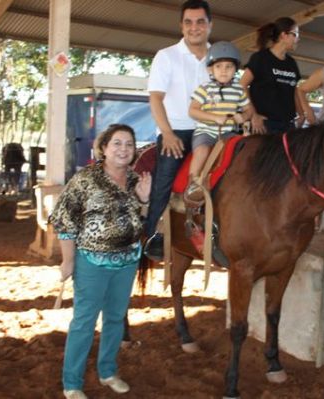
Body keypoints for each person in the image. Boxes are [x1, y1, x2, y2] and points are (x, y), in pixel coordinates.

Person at [50, 124, 152, 399]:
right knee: (84, 321)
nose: (123, 149)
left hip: (127, 260)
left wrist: (144, 200)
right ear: (104, 148)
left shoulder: (134, 180)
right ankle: (72, 383)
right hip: (91, 262)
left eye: (129, 144)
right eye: (117, 143)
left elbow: (137, 221)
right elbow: (64, 221)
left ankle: (107, 371)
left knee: (116, 319)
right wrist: (68, 260)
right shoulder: (86, 179)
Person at [144, 0, 212, 260]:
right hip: (178, 131)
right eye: (189, 22)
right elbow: (155, 98)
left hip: (210, 131)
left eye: (200, 22)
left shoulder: (218, 58)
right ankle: (154, 235)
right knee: (164, 181)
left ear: (209, 25)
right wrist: (168, 133)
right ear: (182, 26)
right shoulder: (166, 56)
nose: (194, 28)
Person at [184, 41, 251, 204]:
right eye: (219, 66)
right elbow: (192, 110)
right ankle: (192, 185)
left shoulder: (238, 89)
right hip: (206, 131)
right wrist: (214, 118)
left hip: (228, 132)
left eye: (229, 67)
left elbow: (249, 109)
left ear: (236, 69)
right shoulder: (204, 88)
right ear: (210, 69)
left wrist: (243, 116)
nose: (224, 71)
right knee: (202, 151)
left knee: (242, 153)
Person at [240, 17, 302, 135]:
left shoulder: (292, 63)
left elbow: (294, 90)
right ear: (284, 35)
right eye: (296, 34)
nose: (298, 39)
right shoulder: (260, 58)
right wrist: (253, 115)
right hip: (264, 125)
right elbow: (242, 85)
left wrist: (301, 113)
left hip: (288, 126)